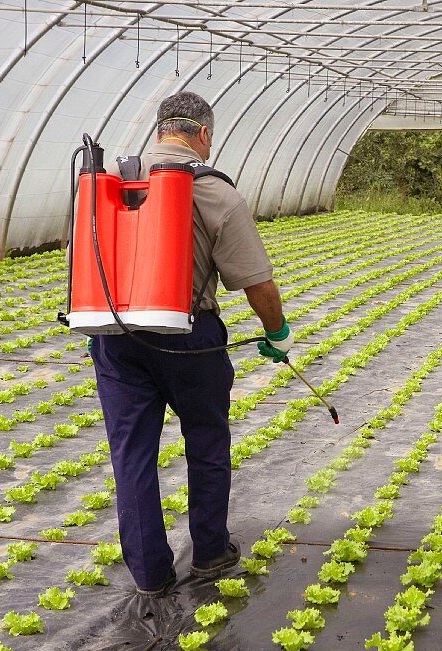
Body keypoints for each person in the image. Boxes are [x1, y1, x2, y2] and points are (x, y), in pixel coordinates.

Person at [89, 91, 293, 596]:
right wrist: (276, 332)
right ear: (202, 135)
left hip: (115, 337)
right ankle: (208, 553)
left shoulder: (107, 185)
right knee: (205, 441)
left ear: (159, 130)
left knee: (131, 454)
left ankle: (150, 575)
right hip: (187, 337)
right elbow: (256, 283)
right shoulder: (215, 192)